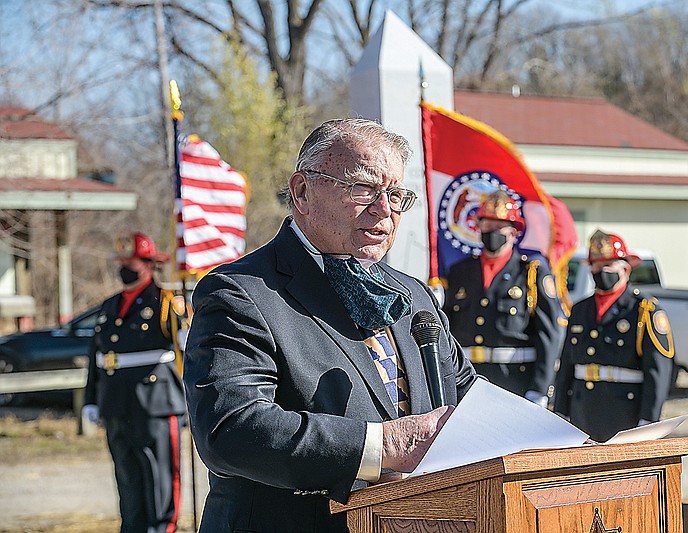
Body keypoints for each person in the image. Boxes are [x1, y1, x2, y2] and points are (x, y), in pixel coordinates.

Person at [183, 118, 479, 532]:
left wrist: (560, 442)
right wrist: (386, 445)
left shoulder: (413, 295)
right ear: (302, 191)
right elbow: (231, 430)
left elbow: (471, 401)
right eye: (363, 189)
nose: (384, 210)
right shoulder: (241, 292)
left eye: (396, 195)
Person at [82, 232, 188, 533]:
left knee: (160, 479)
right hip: (116, 404)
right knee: (127, 481)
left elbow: (187, 348)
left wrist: (185, 329)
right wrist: (91, 398)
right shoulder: (109, 306)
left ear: (149, 264)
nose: (126, 266)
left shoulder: (166, 303)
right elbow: (97, 357)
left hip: (154, 403)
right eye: (124, 261)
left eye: (133, 261)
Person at [553, 229, 675, 442]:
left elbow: (657, 372)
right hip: (582, 414)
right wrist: (561, 411)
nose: (601, 271)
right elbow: (567, 366)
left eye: (608, 265)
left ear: (626, 269)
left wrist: (648, 421)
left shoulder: (644, 311)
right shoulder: (580, 310)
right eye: (596, 266)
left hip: (625, 415)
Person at [443, 190, 562, 407]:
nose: (492, 231)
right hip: (468, 382)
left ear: (514, 232)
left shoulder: (531, 272)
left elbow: (549, 335)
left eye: (499, 226)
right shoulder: (460, 272)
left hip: (515, 382)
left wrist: (539, 389)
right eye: (487, 225)